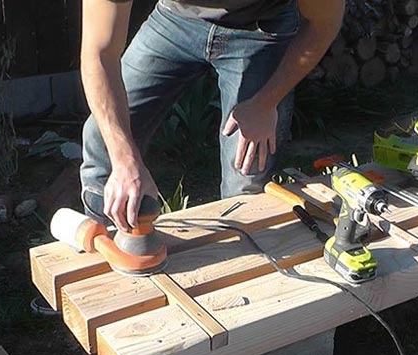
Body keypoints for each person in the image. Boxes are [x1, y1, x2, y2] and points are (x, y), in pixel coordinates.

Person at [79, 0, 345, 231]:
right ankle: (108, 242)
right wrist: (125, 161)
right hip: (175, 19)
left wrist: (265, 103)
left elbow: (324, 22)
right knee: (103, 140)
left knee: (246, 174)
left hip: (262, 27)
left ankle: (240, 263)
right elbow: (99, 54)